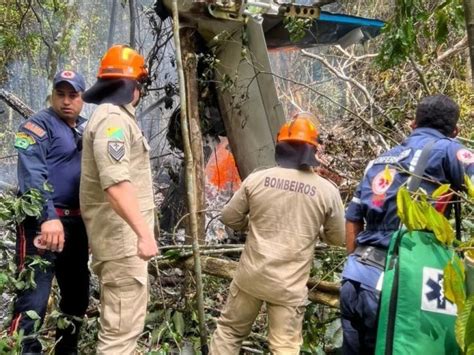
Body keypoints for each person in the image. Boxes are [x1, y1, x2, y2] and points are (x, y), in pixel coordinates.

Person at [340, 94, 474, 354]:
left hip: (354, 277)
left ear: (412, 124)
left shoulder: (378, 161)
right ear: (455, 131)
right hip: (398, 282)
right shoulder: (450, 149)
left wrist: (357, 265)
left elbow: (352, 218)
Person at [209, 112, 345, 354]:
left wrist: (254, 224)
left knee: (229, 332)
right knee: (284, 347)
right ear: (313, 150)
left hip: (251, 277)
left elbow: (229, 217)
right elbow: (338, 238)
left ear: (280, 146)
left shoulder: (258, 179)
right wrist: (316, 231)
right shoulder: (327, 191)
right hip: (288, 286)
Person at [80, 44, 159, 354]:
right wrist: (143, 234)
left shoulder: (111, 118)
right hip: (123, 244)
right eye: (140, 84)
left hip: (119, 243)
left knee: (123, 328)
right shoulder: (113, 121)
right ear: (132, 87)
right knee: (119, 338)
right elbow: (115, 184)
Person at [9, 70, 90, 354]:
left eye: (73, 95)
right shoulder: (35, 127)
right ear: (52, 95)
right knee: (33, 298)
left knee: (78, 296)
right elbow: (32, 175)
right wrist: (48, 218)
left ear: (83, 98)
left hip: (78, 224)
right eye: (61, 94)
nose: (67, 101)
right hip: (42, 224)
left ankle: (66, 350)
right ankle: (23, 350)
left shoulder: (87, 128)